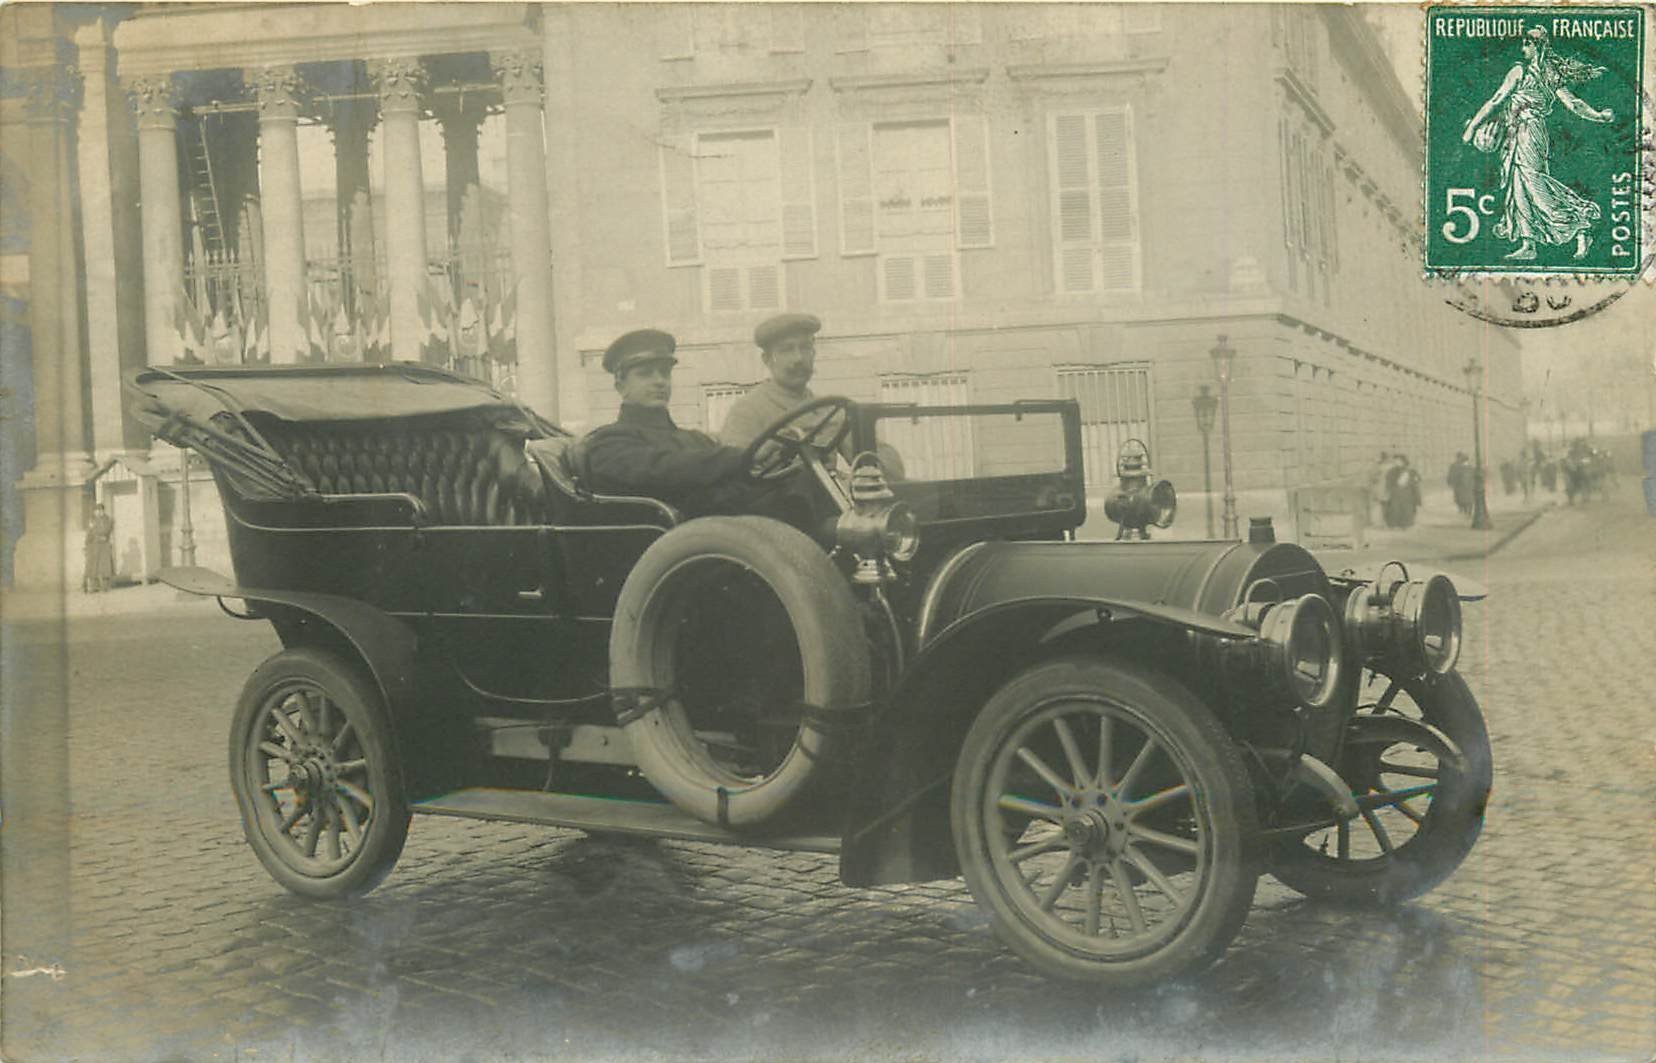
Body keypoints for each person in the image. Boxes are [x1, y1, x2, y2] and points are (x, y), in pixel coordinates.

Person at [581, 328, 797, 520]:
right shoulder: (608, 442)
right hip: (686, 545)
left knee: (797, 484)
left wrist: (775, 459)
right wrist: (743, 456)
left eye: (664, 373)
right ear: (621, 386)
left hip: (728, 533)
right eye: (645, 374)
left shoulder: (695, 439)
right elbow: (664, 469)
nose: (659, 381)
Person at [1461, 27, 1615, 262]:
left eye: (1527, 44)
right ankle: (1529, 244)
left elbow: (1498, 100)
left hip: (1529, 132)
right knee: (1518, 185)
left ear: (1538, 46)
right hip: (1516, 133)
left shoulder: (1531, 72)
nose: (1522, 48)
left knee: (1533, 184)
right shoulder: (1535, 72)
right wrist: (1600, 116)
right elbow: (1572, 103)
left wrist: (1472, 128)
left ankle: (1580, 224)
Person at [718, 313, 826, 448]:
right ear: (767, 359)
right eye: (786, 350)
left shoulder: (828, 409)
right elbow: (734, 459)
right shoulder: (747, 411)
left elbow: (853, 454)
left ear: (813, 353)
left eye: (805, 347)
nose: (798, 358)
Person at [83, 502, 115, 593]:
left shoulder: (108, 520)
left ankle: (105, 586)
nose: (98, 512)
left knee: (105, 566)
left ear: (103, 511)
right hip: (93, 545)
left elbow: (106, 531)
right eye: (96, 510)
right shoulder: (92, 521)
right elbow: (89, 533)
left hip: (104, 545)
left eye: (100, 510)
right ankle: (94, 586)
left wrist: (96, 532)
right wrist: (86, 544)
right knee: (93, 566)